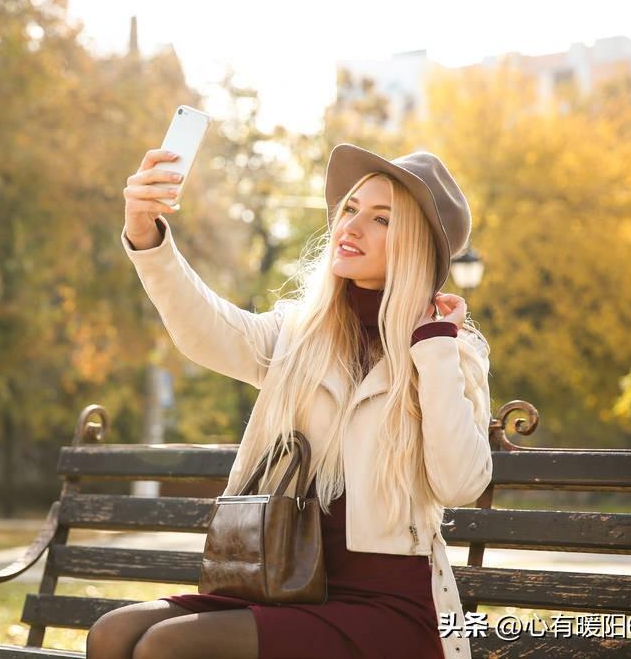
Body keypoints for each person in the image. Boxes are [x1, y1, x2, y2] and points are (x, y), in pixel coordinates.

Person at [86, 144, 493, 659]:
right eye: (350, 208)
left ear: (415, 244)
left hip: (386, 608)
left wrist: (432, 346)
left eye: (381, 218)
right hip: (280, 582)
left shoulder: (447, 353)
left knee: (170, 647)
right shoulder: (299, 335)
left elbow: (458, 484)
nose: (351, 225)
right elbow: (209, 330)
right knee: (112, 633)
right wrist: (147, 236)